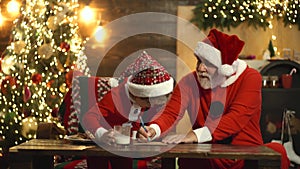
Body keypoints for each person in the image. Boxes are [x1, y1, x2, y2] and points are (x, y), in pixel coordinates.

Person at [138, 29, 290, 169]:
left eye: (208, 63)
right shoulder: (189, 82)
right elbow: (171, 113)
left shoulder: (250, 78)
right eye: (199, 61)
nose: (200, 68)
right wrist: (154, 129)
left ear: (224, 67)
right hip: (205, 153)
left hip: (244, 156)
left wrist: (195, 135)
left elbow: (237, 117)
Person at [82, 51, 174, 169]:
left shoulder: (142, 101)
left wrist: (140, 130)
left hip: (122, 145)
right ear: (137, 95)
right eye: (148, 102)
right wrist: (102, 134)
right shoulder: (114, 97)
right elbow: (89, 117)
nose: (150, 106)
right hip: (101, 145)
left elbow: (132, 119)